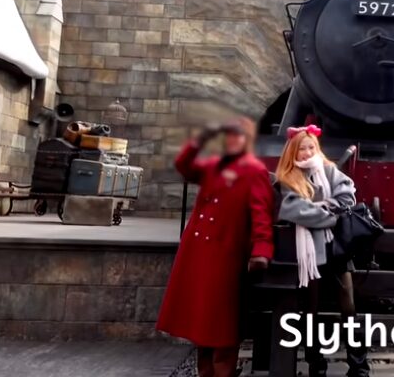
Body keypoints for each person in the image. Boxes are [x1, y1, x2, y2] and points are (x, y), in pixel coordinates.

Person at [156, 117, 275, 377]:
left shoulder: (254, 171)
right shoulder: (213, 166)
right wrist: (200, 139)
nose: (232, 140)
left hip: (225, 255)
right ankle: (205, 372)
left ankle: (223, 372)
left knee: (222, 326)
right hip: (197, 253)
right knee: (202, 323)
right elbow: (184, 165)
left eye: (238, 135)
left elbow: (261, 214)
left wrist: (261, 250)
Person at [275, 124, 370, 377]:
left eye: (311, 147)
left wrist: (317, 208)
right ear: (293, 151)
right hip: (309, 254)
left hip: (337, 250)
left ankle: (359, 366)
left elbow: (347, 199)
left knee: (349, 307)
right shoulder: (288, 178)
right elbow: (294, 210)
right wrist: (329, 214)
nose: (307, 152)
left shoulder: (329, 170)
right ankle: (316, 365)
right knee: (311, 310)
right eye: (302, 148)